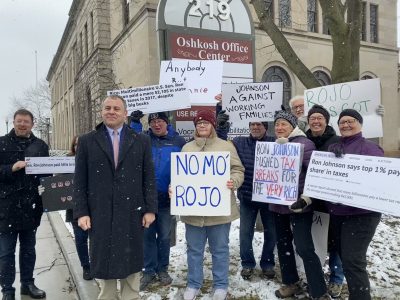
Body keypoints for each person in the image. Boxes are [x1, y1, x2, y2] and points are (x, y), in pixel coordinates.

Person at [73, 95, 158, 300]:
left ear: (125, 113)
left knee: (131, 264)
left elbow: (148, 177)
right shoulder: (86, 141)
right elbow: (80, 180)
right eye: (107, 108)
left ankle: (131, 296)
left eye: (116, 108)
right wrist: (81, 212)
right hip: (100, 212)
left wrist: (150, 209)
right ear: (102, 111)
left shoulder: (141, 140)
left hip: (132, 212)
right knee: (104, 264)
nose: (111, 112)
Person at [177, 110, 244, 300]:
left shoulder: (226, 146)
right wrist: (176, 187)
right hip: (194, 212)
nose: (202, 126)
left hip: (220, 211)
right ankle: (194, 284)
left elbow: (238, 169)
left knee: (220, 250)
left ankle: (221, 285)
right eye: (199, 123)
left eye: (206, 123)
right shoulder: (187, 148)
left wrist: (234, 181)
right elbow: (180, 174)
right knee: (194, 250)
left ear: (213, 125)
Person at [269, 110, 329, 300]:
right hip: (278, 205)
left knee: (304, 247)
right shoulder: (273, 144)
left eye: (283, 124)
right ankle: (291, 282)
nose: (279, 128)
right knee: (283, 244)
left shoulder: (305, 144)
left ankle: (318, 289)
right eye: (277, 124)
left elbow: (314, 175)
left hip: (300, 206)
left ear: (292, 126)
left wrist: (306, 198)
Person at [327, 109, 383, 300]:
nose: (346, 125)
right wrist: (330, 158)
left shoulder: (371, 148)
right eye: (342, 122)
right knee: (346, 258)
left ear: (360, 124)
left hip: (362, 214)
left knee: (353, 261)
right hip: (338, 213)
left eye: (350, 121)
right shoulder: (334, 147)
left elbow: (378, 180)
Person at [129, 111, 186, 290]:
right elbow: (129, 138)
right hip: (146, 200)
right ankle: (148, 270)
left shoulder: (178, 141)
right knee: (147, 237)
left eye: (160, 120)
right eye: (153, 121)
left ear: (167, 122)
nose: (156, 124)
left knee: (164, 236)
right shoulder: (143, 139)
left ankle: (162, 268)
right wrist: (135, 121)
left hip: (167, 200)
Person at [0, 109, 49, 300]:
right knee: (6, 253)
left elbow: (47, 174)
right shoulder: (2, 143)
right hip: (6, 207)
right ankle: (7, 290)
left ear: (32, 124)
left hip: (31, 207)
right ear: (13, 122)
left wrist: (50, 188)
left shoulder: (40, 145)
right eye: (19, 121)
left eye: (26, 121)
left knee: (29, 250)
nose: (22, 124)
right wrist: (11, 168)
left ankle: (27, 284)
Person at [304, 105, 343, 298]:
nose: (316, 121)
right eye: (313, 118)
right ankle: (316, 276)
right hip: (309, 200)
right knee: (316, 241)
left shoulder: (338, 141)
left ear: (326, 120)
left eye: (320, 118)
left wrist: (341, 151)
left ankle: (336, 278)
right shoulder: (302, 140)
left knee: (336, 241)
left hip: (332, 203)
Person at [232, 122, 276, 280]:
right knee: (245, 233)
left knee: (272, 233)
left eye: (259, 124)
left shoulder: (275, 141)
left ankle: (268, 263)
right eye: (252, 124)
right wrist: (222, 119)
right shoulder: (239, 142)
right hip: (247, 197)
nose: (255, 127)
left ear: (266, 126)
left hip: (269, 199)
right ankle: (247, 264)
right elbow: (222, 141)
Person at [64, 136, 92, 281]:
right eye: (75, 145)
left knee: (96, 239)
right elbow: (57, 185)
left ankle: (97, 263)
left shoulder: (94, 160)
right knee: (81, 239)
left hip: (95, 207)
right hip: (75, 208)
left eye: (80, 145)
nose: (78, 147)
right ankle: (86, 266)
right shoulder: (65, 163)